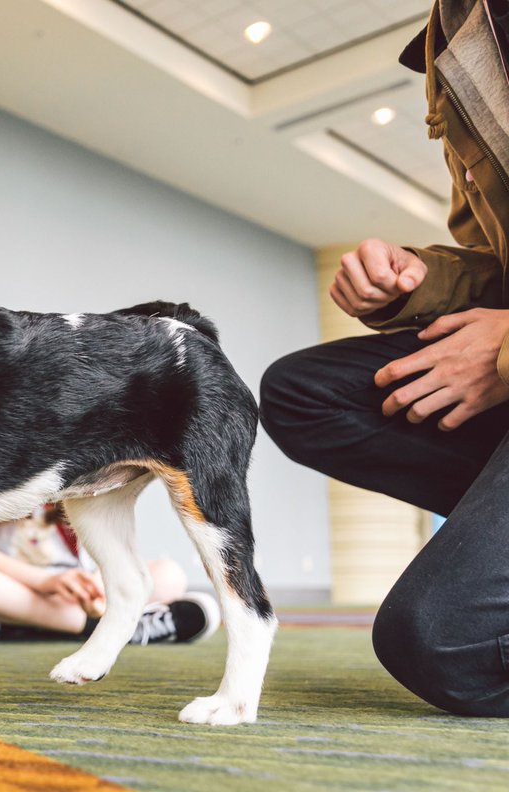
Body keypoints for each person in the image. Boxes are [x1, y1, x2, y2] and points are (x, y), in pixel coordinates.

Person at [260, 0, 509, 716]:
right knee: (303, 393)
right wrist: (418, 281)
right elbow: (496, 264)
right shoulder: (454, 30)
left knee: (441, 640)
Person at [0, 505, 220, 646]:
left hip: (76, 592)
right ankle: (111, 627)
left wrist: (98, 589)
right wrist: (44, 581)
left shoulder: (90, 466)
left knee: (170, 575)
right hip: (17, 586)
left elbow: (111, 552)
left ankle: (8, 627)